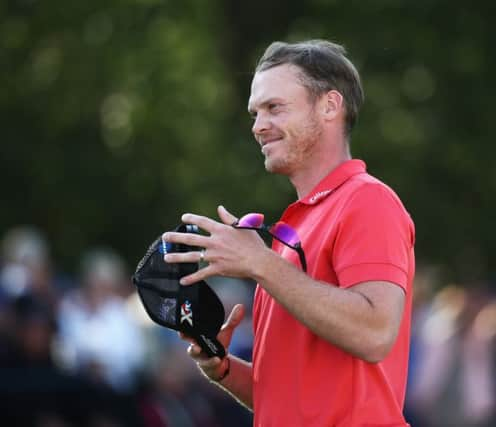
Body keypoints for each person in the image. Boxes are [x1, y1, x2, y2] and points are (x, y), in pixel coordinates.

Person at [162, 39, 416, 426]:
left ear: (330, 106)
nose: (258, 126)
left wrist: (259, 262)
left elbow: (374, 333)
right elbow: (286, 401)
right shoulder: (293, 230)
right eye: (255, 112)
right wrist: (223, 368)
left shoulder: (367, 200)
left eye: (274, 108)